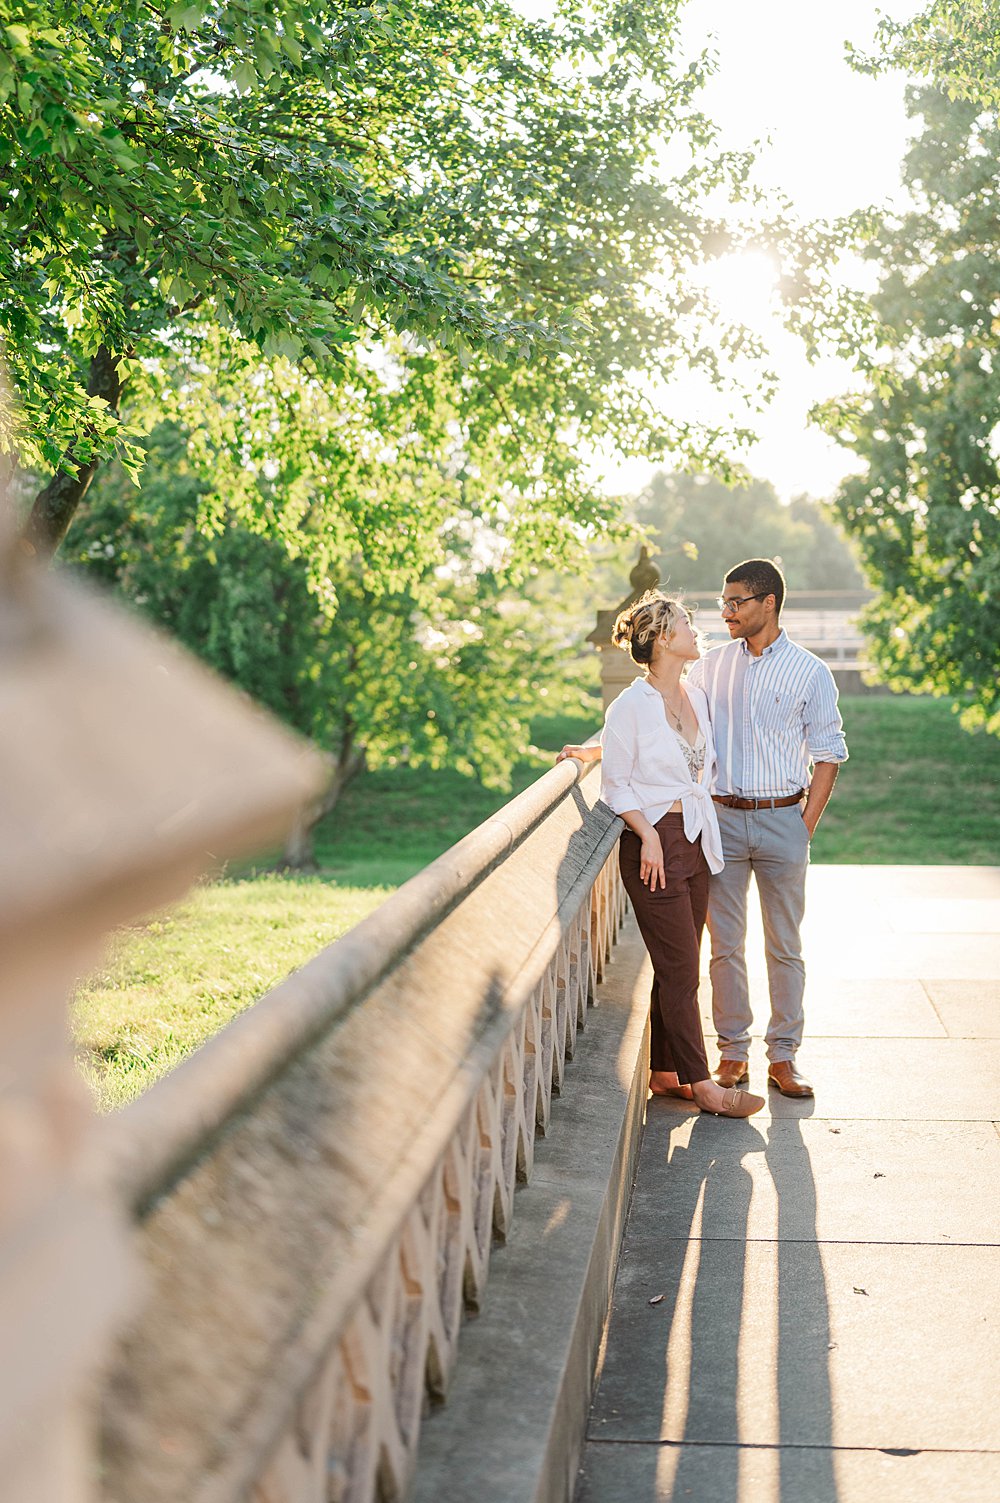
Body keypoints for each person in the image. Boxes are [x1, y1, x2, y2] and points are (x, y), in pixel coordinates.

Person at [559, 590, 764, 1119]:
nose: (696, 629)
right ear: (665, 640)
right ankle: (703, 1084)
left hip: (696, 838)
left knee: (681, 960)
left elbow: (659, 750)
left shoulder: (693, 694)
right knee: (680, 970)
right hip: (654, 847)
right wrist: (647, 835)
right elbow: (617, 785)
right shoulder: (628, 704)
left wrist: (596, 747)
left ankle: (666, 1072)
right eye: (685, 623)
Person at [685, 558, 848, 1098]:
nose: (726, 612)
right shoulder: (709, 668)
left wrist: (803, 826)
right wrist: (599, 748)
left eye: (736, 602)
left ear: (768, 603)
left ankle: (784, 1057)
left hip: (784, 820)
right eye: (723, 603)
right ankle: (732, 1052)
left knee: (785, 945)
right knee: (725, 945)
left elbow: (828, 755)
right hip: (722, 820)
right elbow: (667, 718)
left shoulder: (810, 672)